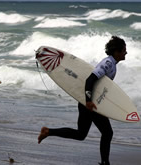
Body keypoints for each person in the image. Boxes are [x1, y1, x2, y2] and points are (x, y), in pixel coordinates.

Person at [38, 36, 127, 165]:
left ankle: (48, 131)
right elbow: (90, 80)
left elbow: (101, 87)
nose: (126, 53)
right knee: (107, 133)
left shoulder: (112, 64)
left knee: (81, 134)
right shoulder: (107, 63)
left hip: (89, 102)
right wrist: (88, 101)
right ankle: (104, 162)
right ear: (117, 52)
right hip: (90, 103)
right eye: (124, 50)